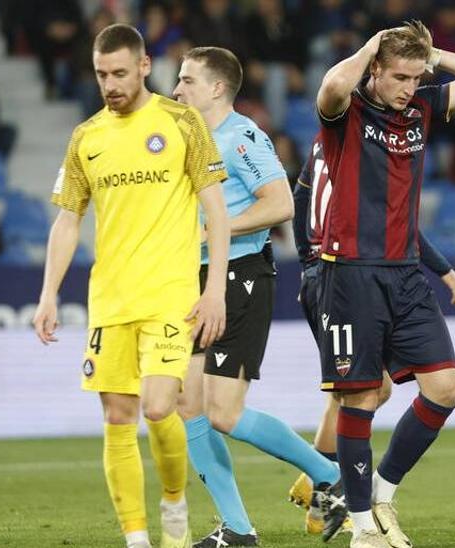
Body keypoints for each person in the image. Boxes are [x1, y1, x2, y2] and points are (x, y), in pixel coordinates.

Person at [32, 24, 230, 548]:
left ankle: (173, 502)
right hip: (110, 299)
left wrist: (215, 290)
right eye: (102, 74)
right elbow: (68, 220)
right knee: (117, 416)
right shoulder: (87, 137)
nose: (110, 84)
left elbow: (216, 210)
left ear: (144, 66)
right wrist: (49, 294)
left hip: (170, 295)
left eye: (120, 73)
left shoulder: (182, 121)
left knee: (159, 406)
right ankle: (137, 538)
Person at [315, 20, 455, 548]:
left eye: (415, 78)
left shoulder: (422, 105)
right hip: (351, 273)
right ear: (375, 69)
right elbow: (332, 85)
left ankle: (380, 492)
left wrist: (432, 57)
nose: (407, 88)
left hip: (405, 272)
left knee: (445, 387)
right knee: (360, 399)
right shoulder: (347, 111)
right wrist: (371, 45)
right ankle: (361, 529)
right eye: (399, 77)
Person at [170, 46, 346, 548]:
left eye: (187, 80)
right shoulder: (188, 138)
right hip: (195, 279)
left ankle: (330, 476)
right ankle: (237, 529)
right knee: (188, 404)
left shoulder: (242, 136)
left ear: (217, 88)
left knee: (224, 412)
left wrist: (215, 230)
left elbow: (280, 203)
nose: (177, 89)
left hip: (240, 276)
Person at [286, 133, 455, 535]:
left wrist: (307, 263)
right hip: (343, 275)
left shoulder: (323, 140)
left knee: (358, 391)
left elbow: (300, 198)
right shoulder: (363, 144)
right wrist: (443, 268)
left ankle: (320, 488)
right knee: (360, 390)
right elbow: (392, 224)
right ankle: (331, 492)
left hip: (326, 271)